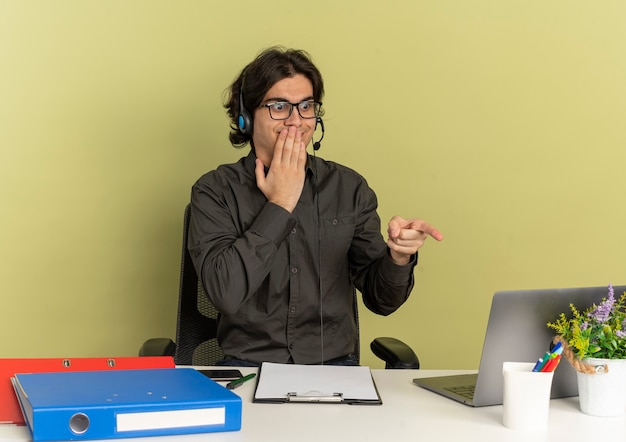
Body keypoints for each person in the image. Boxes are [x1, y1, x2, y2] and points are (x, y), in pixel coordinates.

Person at [188, 47, 443, 367]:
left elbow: (383, 301)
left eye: (306, 106)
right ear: (247, 114)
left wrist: (398, 256)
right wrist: (281, 203)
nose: (296, 120)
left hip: (333, 367)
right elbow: (225, 293)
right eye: (279, 106)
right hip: (247, 366)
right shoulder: (215, 191)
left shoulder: (348, 188)